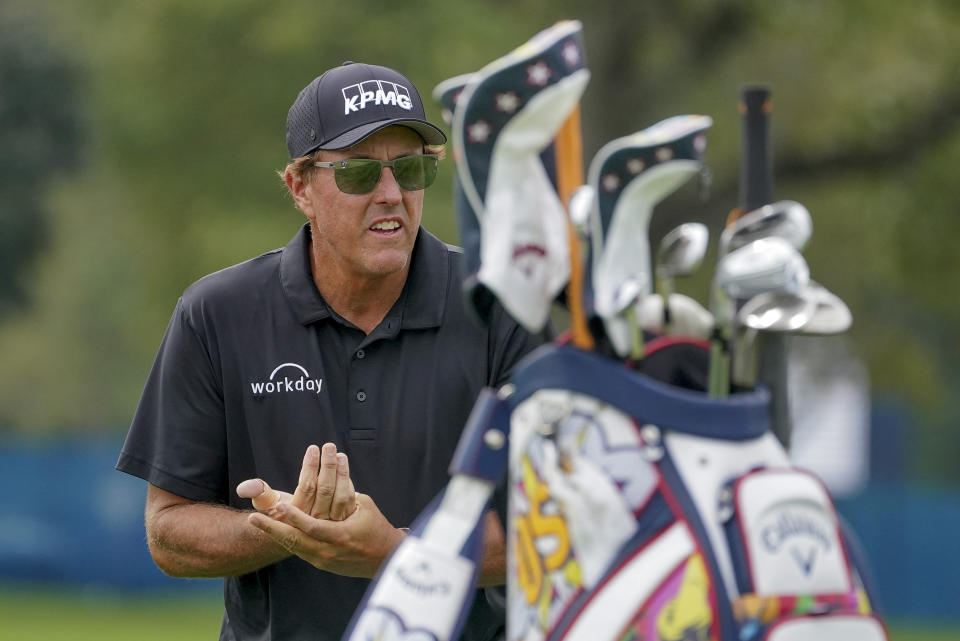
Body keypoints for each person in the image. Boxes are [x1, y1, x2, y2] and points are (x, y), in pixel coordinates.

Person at [116, 61, 547, 641]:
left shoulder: (501, 308)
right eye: (360, 174)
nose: (391, 194)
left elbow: (556, 530)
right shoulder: (216, 314)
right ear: (300, 188)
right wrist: (287, 528)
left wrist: (395, 552)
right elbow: (168, 533)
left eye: (412, 169)